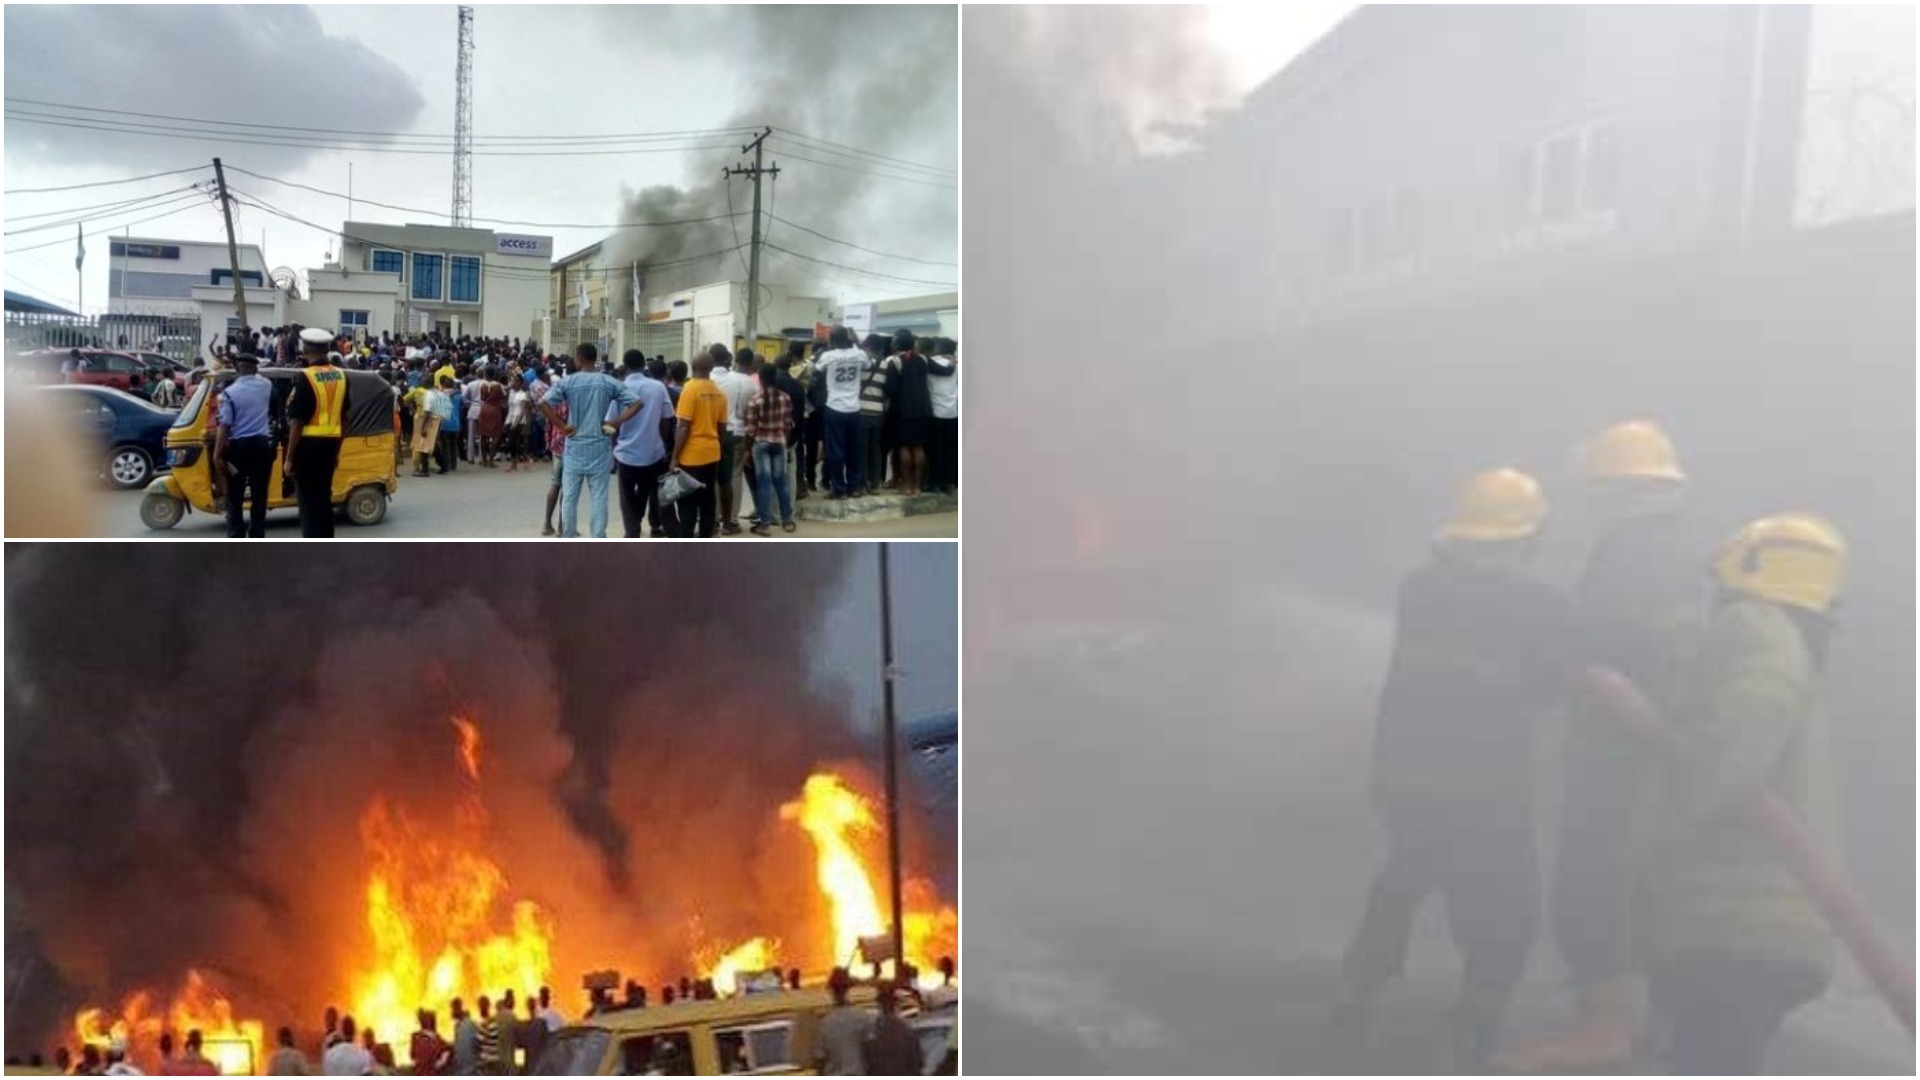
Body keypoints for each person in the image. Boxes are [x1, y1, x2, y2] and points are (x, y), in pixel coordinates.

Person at [1329, 468, 1581, 1069]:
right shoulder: (1544, 608)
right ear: (1529, 537)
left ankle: (1357, 993)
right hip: (1486, 792)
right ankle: (1477, 1019)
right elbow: (1551, 686)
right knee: (1506, 902)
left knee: (1404, 876)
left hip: (1404, 779)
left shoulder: (1419, 590)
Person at [1496, 420, 1702, 1074]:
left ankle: (1603, 1023)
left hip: (1618, 747)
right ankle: (1655, 1020)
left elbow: (1601, 646)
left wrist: (1549, 650)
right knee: (1636, 881)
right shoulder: (1674, 548)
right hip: (1650, 745)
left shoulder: (1630, 554)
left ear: (1613, 490)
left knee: (1592, 876)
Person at [1636, 513, 1847, 1075]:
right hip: (1772, 922)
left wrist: (1700, 790)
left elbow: (1748, 724)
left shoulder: (1755, 626)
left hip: (1732, 924)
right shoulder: (1795, 645)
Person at [535, 343, 645, 538]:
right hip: (600, 446)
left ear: (579, 358)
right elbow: (637, 403)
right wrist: (616, 421)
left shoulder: (568, 382)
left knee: (569, 497)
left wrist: (561, 426)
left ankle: (568, 535)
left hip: (574, 445)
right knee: (599, 497)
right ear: (594, 359)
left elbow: (543, 403)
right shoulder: (608, 382)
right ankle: (598, 538)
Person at [282, 327, 350, 538]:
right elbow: (345, 418)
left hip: (308, 447)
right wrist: (337, 450)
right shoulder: (341, 376)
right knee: (323, 499)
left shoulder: (305, 377)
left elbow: (297, 422)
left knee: (309, 504)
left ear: (305, 349)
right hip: (330, 445)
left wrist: (290, 457)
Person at [609, 349, 675, 539]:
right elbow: (666, 420)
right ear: (643, 364)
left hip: (627, 454)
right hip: (654, 452)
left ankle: (632, 532)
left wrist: (615, 448)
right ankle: (662, 528)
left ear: (625, 365)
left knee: (627, 498)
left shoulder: (619, 389)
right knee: (652, 492)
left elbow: (612, 423)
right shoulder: (658, 387)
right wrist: (662, 442)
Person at [214, 353, 276, 538]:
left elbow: (225, 426)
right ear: (256, 368)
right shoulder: (266, 385)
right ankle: (257, 535)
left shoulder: (229, 393)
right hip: (261, 447)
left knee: (235, 495)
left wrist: (217, 454)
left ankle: (236, 536)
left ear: (236, 369)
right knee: (260, 495)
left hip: (238, 450)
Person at [668, 351, 729, 538]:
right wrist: (716, 446)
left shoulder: (690, 390)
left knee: (688, 503)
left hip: (691, 456)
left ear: (693, 366)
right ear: (711, 368)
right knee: (708, 500)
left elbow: (683, 427)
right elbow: (722, 427)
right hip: (712, 454)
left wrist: (674, 457)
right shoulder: (719, 393)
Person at [813, 327, 868, 498]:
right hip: (854, 408)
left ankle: (839, 488)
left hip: (835, 407)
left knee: (835, 449)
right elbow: (868, 365)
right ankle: (855, 487)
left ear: (832, 340)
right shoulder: (859, 354)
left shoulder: (829, 356)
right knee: (854, 449)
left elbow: (817, 369)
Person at [743, 363, 796, 534]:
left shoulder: (755, 399)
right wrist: (785, 446)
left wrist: (746, 451)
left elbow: (750, 430)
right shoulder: (785, 397)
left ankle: (765, 524)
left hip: (760, 444)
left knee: (764, 483)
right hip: (779, 442)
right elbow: (788, 425)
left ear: (761, 378)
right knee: (781, 482)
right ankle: (787, 521)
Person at [709, 345, 753, 535]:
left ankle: (712, 519)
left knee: (710, 478)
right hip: (732, 432)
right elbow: (743, 408)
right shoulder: (738, 380)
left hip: (709, 434)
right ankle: (730, 520)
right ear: (727, 359)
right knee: (732, 477)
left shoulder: (705, 379)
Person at [887, 329, 932, 494]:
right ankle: (917, 486)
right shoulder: (923, 360)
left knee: (905, 447)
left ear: (898, 343)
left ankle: (906, 485)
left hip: (903, 411)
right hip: (923, 409)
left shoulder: (895, 362)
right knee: (919, 447)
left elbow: (891, 389)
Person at [530, 371, 567, 535]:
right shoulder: (574, 401)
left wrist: (549, 443)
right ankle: (562, 526)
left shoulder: (555, 401)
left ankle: (547, 523)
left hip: (557, 445)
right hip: (571, 445)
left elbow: (549, 424)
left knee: (555, 483)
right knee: (568, 488)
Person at [856, 334, 893, 496]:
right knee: (875, 448)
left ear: (867, 347)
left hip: (861, 410)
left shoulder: (861, 363)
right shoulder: (886, 365)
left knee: (861, 449)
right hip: (878, 412)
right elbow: (889, 389)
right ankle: (875, 483)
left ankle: (861, 483)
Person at [814, 969, 869, 1076]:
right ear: (848, 989)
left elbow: (820, 1060)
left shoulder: (825, 1023)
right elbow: (870, 1053)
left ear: (832, 992)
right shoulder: (861, 1016)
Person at [861, 987, 922, 1076]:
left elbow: (866, 1060)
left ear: (879, 1007)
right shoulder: (906, 1030)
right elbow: (917, 1060)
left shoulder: (871, 1031)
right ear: (896, 1006)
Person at [927, 338, 959, 495]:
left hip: (934, 412)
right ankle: (949, 482)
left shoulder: (930, 362)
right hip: (953, 413)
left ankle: (934, 482)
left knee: (934, 450)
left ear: (937, 347)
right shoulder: (957, 365)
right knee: (950, 450)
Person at [408, 1010, 449, 1077]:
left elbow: (412, 1056)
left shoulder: (415, 1037)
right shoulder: (437, 1039)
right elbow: (447, 1050)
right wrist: (440, 1062)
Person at [478, 374, 507, 467]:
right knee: (496, 435)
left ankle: (484, 460)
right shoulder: (498, 386)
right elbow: (503, 396)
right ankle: (491, 459)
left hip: (484, 409)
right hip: (495, 409)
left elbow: (482, 397)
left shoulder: (483, 385)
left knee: (483, 435)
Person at [504, 378, 532, 471]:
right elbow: (509, 407)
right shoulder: (511, 393)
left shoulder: (522, 395)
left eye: (514, 381)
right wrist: (506, 422)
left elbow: (522, 411)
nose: (512, 383)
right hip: (510, 418)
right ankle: (518, 461)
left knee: (512, 441)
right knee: (512, 442)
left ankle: (517, 461)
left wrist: (516, 423)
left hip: (519, 420)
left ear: (519, 383)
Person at [474, 997, 502, 1076]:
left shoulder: (484, 1024)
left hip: (487, 1063)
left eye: (481, 1006)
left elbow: (478, 1043)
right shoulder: (495, 1022)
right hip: (496, 1061)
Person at [450, 1000, 478, 1076]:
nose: (451, 1012)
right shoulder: (459, 1025)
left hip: (467, 1070)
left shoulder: (469, 1024)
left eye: (452, 1009)